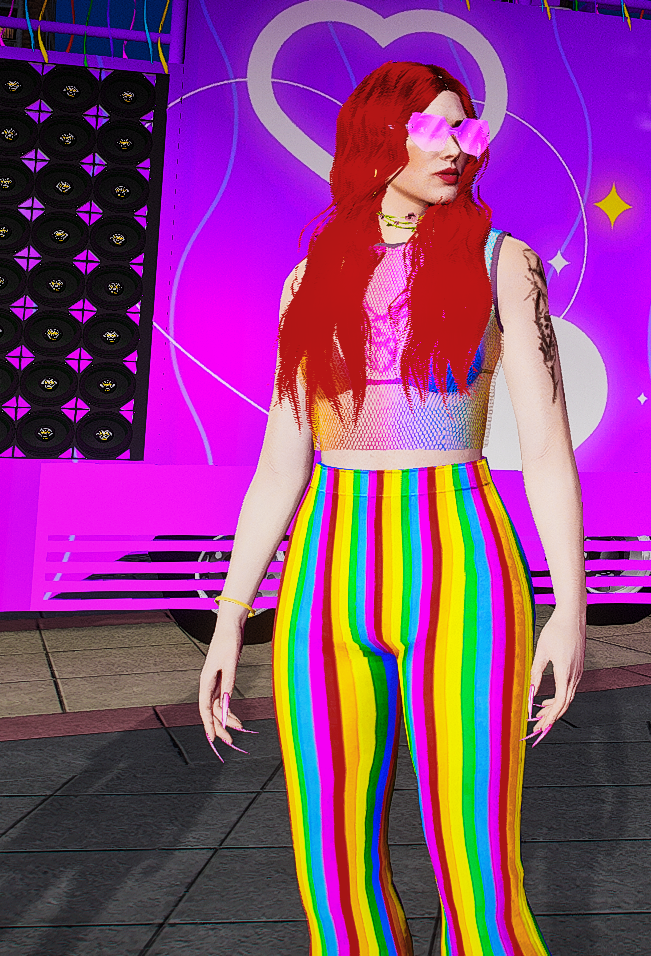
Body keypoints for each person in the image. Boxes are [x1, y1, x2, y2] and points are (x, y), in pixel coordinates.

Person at [199, 60, 586, 955]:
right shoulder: (308, 280)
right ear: (380, 136)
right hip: (323, 574)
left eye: (468, 128)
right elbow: (279, 466)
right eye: (438, 128)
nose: (461, 147)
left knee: (478, 862)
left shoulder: (505, 263)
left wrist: (570, 606)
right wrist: (230, 615)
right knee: (329, 863)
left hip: (466, 566)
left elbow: (544, 450)